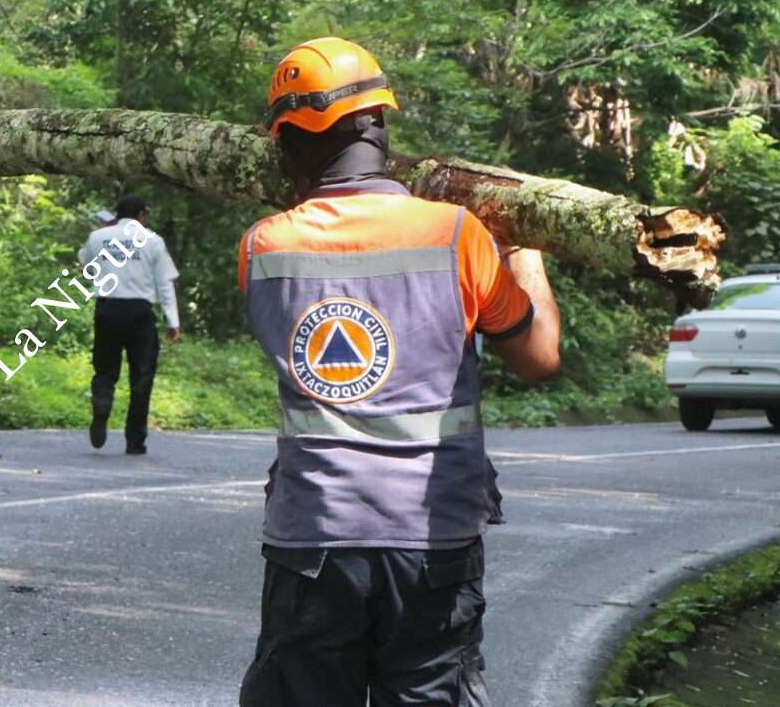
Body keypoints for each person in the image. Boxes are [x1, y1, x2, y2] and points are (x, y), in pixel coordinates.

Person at [235, 37, 561, 707]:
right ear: (379, 124)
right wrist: (526, 247)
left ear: (289, 140)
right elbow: (538, 357)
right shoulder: (457, 234)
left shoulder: (263, 247)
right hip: (432, 540)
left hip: (312, 540)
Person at [77, 195, 181, 455]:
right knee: (141, 377)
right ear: (142, 216)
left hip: (107, 309)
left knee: (104, 369)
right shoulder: (153, 241)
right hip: (140, 314)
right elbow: (165, 283)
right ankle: (135, 441)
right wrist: (173, 320)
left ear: (117, 214)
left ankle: (102, 403)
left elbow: (84, 262)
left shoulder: (98, 237)